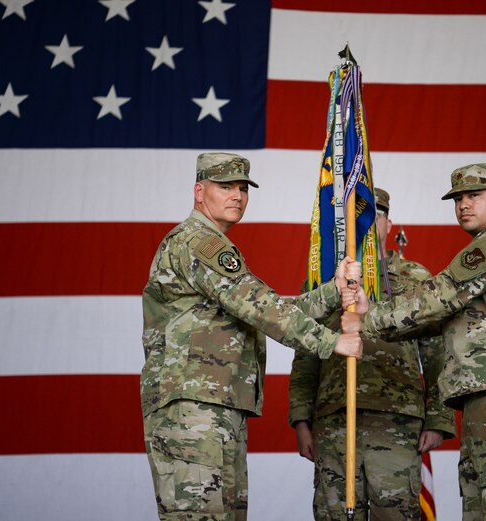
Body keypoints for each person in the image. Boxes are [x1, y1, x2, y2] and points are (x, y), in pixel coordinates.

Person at [140, 152, 363, 521]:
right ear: (199, 191)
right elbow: (259, 306)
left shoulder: (210, 245)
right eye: (225, 187)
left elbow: (260, 307)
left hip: (214, 405)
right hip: (193, 408)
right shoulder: (199, 243)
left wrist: (333, 292)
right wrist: (330, 342)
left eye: (243, 188)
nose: (237, 196)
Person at [343, 164, 486, 521]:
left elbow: (439, 296)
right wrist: (370, 317)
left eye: (474, 196)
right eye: (458, 198)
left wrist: (365, 320)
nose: (463, 205)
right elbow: (440, 318)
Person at [289, 187, 457, 521]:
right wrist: (301, 420)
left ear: (388, 223)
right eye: (356, 216)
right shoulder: (326, 281)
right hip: (335, 420)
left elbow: (438, 352)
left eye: (373, 214)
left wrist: (439, 418)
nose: (365, 223)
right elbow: (306, 352)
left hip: (397, 420)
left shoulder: (416, 278)